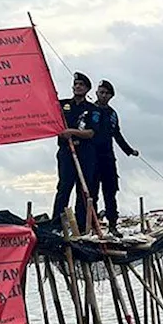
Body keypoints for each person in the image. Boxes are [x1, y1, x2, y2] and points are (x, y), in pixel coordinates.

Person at [51, 72, 101, 233]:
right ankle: (56, 225)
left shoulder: (92, 109)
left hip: (85, 152)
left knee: (83, 189)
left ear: (87, 89)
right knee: (64, 187)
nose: (78, 87)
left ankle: (81, 226)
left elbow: (91, 132)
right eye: (76, 84)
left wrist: (72, 132)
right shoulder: (62, 105)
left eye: (82, 85)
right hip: (66, 152)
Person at [89, 78, 139, 237]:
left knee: (110, 192)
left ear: (111, 96)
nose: (103, 95)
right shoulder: (90, 110)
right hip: (91, 157)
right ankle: (93, 225)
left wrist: (129, 150)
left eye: (106, 93)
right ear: (96, 93)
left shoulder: (112, 114)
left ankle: (112, 224)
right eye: (101, 92)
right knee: (92, 193)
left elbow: (117, 134)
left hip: (108, 157)